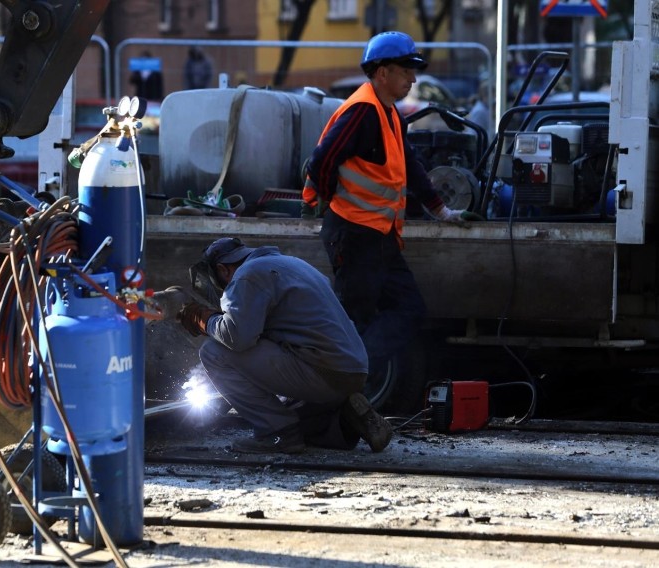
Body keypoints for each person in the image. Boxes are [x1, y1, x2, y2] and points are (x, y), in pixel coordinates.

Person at [302, 31, 482, 390]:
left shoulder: (388, 113)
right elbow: (320, 159)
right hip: (354, 235)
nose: (412, 79)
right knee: (357, 320)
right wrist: (318, 199)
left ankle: (352, 379)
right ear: (382, 72)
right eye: (406, 71)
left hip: (378, 237)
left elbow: (410, 166)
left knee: (408, 310)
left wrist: (442, 211)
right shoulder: (363, 111)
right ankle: (341, 391)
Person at [176, 237, 393, 455]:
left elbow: (236, 338)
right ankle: (347, 413)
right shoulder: (293, 264)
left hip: (322, 371)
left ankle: (278, 434)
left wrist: (203, 319)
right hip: (352, 372)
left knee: (214, 352)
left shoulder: (247, 275)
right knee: (290, 412)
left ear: (223, 269)